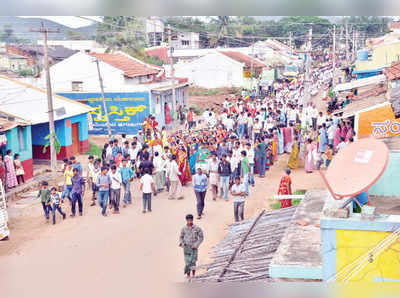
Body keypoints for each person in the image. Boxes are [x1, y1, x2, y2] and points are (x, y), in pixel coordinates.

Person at [179, 214, 204, 278]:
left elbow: (201, 237)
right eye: (188, 220)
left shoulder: (197, 228)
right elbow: (181, 237)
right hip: (186, 248)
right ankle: (188, 276)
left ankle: (193, 275)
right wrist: (182, 243)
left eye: (190, 220)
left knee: (193, 262)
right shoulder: (183, 229)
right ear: (186, 220)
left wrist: (196, 245)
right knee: (187, 263)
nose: (189, 222)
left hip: (194, 248)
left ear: (192, 220)